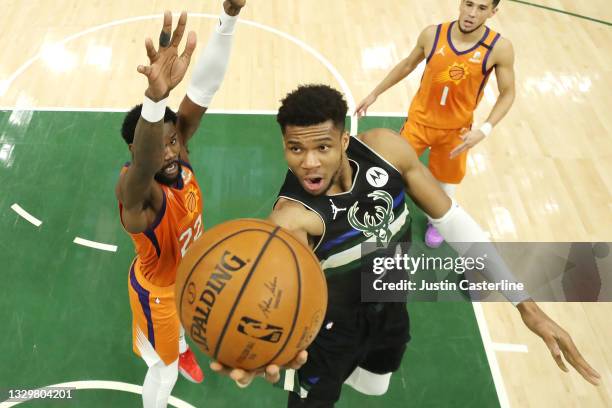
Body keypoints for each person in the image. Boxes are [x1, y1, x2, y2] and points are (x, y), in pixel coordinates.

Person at [212, 84, 600, 407]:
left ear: (345, 139)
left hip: (391, 310)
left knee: (375, 384)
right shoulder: (291, 219)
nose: (309, 163)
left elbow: (457, 226)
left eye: (323, 148)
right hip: (330, 333)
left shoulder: (386, 150)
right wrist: (252, 349)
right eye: (295, 149)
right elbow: (261, 293)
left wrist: (527, 308)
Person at [115, 2, 245, 407]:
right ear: (137, 150)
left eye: (174, 141)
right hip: (157, 296)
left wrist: (229, 19)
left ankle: (183, 344)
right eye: (160, 144)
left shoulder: (178, 155)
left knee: (186, 326)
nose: (170, 153)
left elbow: (204, 90)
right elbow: (145, 161)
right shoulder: (138, 195)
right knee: (163, 370)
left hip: (188, 274)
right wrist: (154, 101)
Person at [356, 0, 513, 249]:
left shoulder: (499, 48)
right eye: (468, 4)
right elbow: (408, 64)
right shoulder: (433, 34)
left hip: (456, 131)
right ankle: (378, 217)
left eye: (481, 8)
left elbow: (508, 94)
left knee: (445, 183)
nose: (472, 13)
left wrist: (484, 130)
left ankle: (436, 221)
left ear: (493, 12)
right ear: (461, 3)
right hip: (419, 122)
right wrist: (375, 93)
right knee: (389, 171)